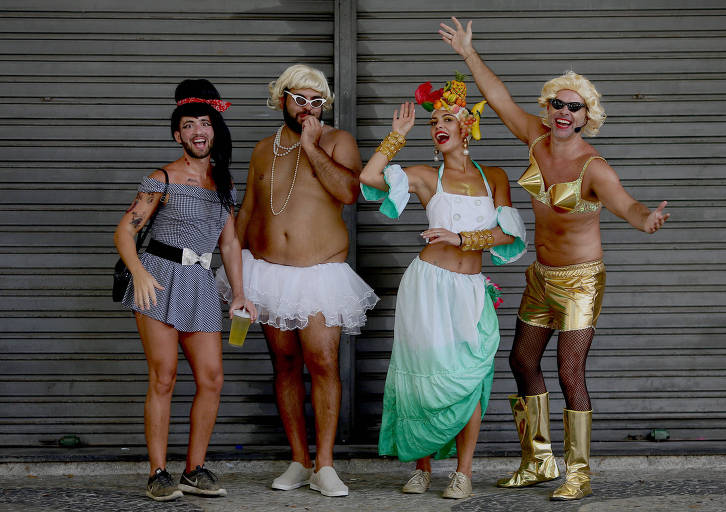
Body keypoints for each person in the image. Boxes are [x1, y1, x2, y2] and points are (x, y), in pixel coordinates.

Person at [440, 17, 670, 501]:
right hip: (541, 276)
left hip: (581, 281)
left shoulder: (594, 166)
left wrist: (645, 218)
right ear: (548, 108)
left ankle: (579, 472)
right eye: (558, 104)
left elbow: (626, 204)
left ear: (588, 116)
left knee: (570, 372)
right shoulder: (535, 138)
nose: (564, 112)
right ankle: (538, 460)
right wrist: (467, 54)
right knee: (521, 359)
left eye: (575, 107)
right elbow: (499, 97)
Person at [359, 74, 527, 499]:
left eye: (448, 117)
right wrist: (395, 137)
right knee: (424, 377)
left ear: (467, 125)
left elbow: (510, 236)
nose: (439, 123)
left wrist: (462, 239)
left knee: (470, 378)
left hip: (470, 289)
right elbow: (371, 177)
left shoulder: (495, 177)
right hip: (427, 288)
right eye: (435, 118)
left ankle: (463, 472)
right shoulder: (424, 176)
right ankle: (422, 468)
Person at [216, 64, 378, 498]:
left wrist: (312, 145)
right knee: (284, 364)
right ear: (281, 98)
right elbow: (246, 212)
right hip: (266, 272)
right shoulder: (261, 150)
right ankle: (298, 459)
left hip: (320, 273)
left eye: (316, 101)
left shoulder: (337, 141)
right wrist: (238, 281)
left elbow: (349, 193)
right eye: (300, 99)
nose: (308, 108)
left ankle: (324, 465)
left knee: (322, 362)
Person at [114, 79, 257, 502]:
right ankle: (159, 472)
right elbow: (125, 231)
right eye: (189, 124)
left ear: (215, 130)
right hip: (159, 279)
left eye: (205, 122)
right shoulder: (162, 178)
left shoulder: (224, 184)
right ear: (178, 134)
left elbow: (229, 242)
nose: (198, 131)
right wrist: (138, 273)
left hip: (200, 283)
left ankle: (195, 468)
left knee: (211, 378)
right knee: (164, 377)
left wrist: (238, 293)